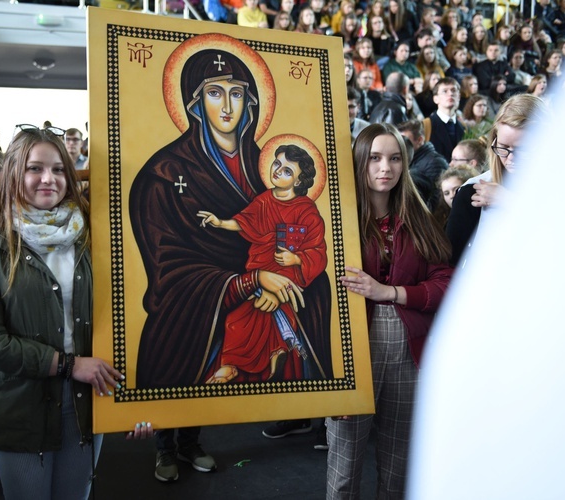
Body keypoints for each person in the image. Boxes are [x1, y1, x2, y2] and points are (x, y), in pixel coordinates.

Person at [129, 37, 332, 481]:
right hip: (198, 295)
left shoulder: (272, 164)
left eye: (237, 92)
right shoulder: (164, 173)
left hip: (272, 290)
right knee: (183, 335)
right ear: (195, 103)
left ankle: (192, 442)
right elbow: (168, 267)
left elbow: (302, 236)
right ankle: (166, 447)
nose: (228, 105)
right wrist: (249, 280)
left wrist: (287, 272)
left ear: (251, 101)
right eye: (215, 93)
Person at [0, 128, 152, 499]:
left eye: (59, 169)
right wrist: (68, 364)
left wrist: (136, 402)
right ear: (13, 172)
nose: (49, 179)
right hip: (21, 410)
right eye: (35, 168)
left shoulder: (95, 235)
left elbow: (128, 319)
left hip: (86, 405)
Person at [328, 123, 452, 500]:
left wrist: (392, 292)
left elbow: (446, 284)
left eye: (395, 158)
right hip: (352, 348)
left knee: (399, 465)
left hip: (408, 349)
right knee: (344, 465)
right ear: (360, 162)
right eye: (376, 158)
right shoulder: (337, 219)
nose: (386, 167)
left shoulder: (418, 218)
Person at [197, 144, 327, 384]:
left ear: (299, 181)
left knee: (262, 316)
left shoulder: (307, 211)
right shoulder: (265, 200)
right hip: (259, 275)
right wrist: (220, 222)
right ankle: (244, 362)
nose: (278, 171)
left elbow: (318, 251)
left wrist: (297, 259)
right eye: (277, 164)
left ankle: (266, 355)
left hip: (288, 282)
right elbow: (245, 222)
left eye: (287, 171)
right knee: (236, 320)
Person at [446, 94, 547, 265]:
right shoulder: (473, 191)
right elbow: (448, 266)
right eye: (503, 147)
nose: (511, 158)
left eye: (523, 149)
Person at [397, 119, 449, 210]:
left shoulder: (435, 163)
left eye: (405, 139)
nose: (400, 143)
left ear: (420, 140)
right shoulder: (410, 159)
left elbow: (435, 202)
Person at [426, 77, 464, 162]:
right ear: (435, 99)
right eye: (445, 91)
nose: (450, 94)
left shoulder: (464, 128)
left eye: (453, 90)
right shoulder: (425, 126)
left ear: (459, 97)